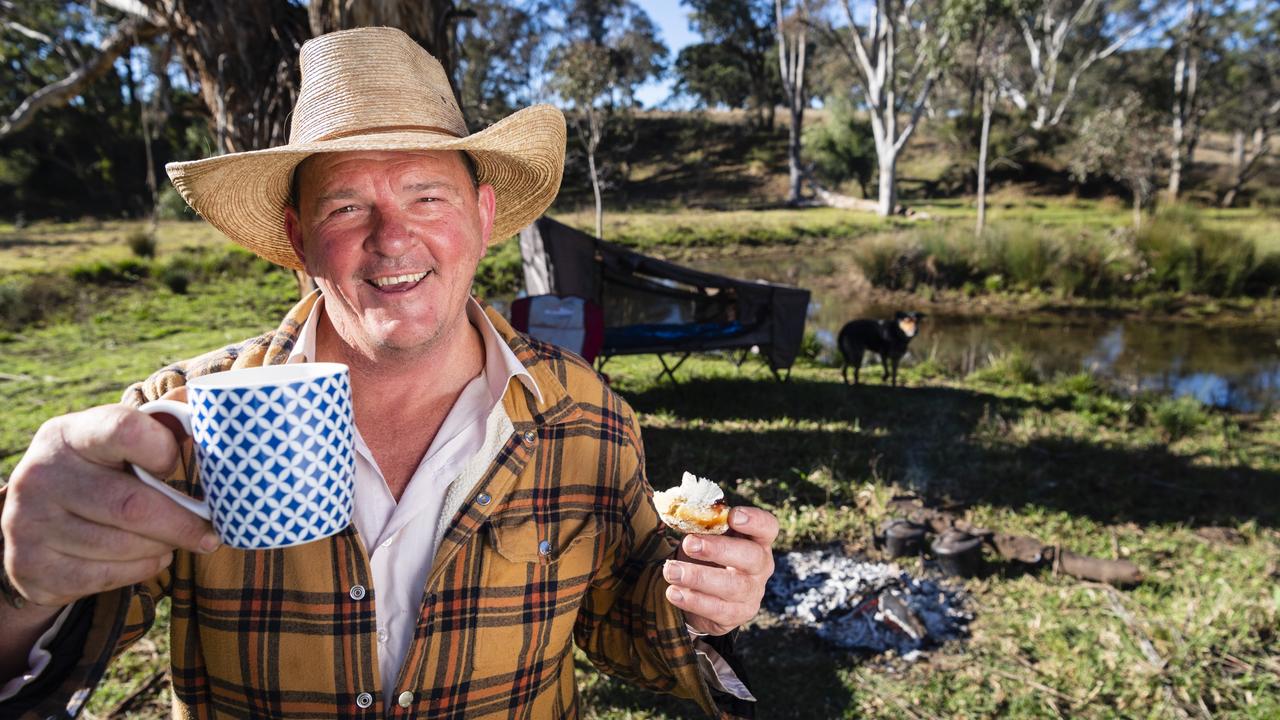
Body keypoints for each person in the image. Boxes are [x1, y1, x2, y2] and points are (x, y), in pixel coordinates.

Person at [0, 27, 776, 719]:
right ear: (299, 241)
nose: (392, 239)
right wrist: (14, 588)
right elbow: (46, 658)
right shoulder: (178, 423)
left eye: (426, 196)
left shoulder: (588, 416)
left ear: (480, 216)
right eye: (345, 208)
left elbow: (622, 619)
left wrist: (703, 599)